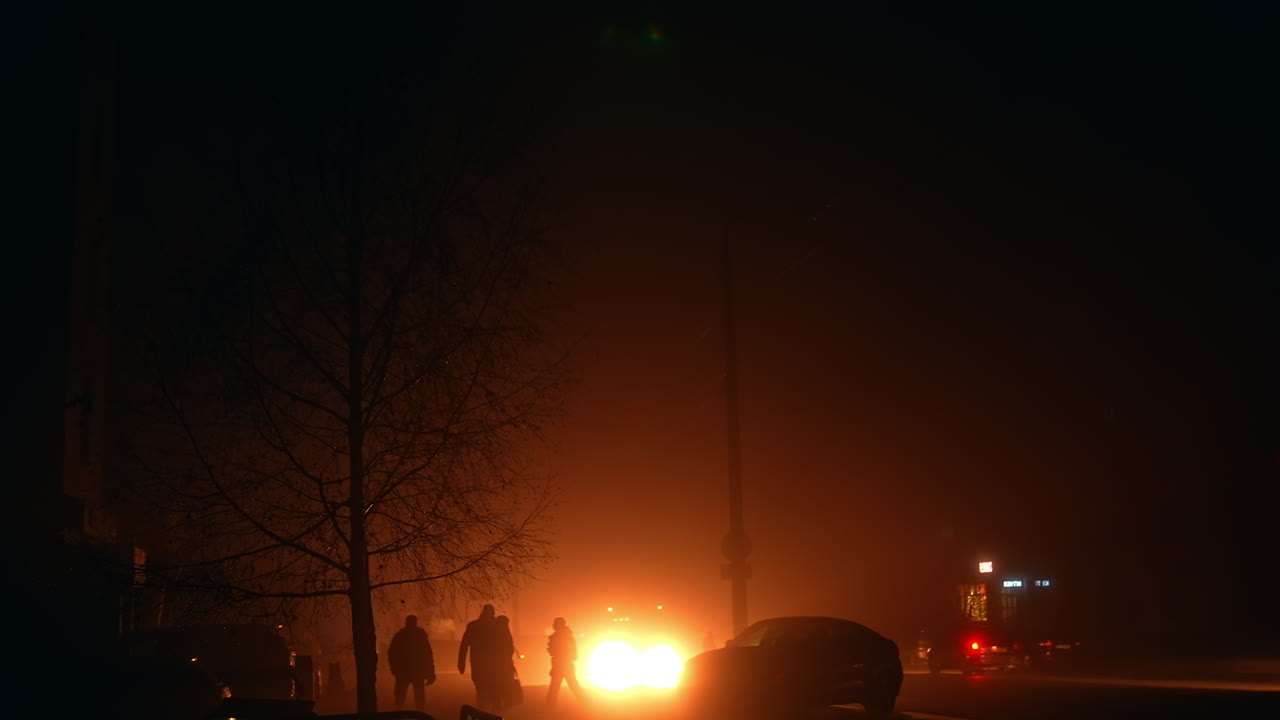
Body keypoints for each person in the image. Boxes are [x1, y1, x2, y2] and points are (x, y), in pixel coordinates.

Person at [458, 604, 507, 712]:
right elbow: (505, 645)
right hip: (495, 665)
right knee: (495, 689)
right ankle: (496, 711)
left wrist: (461, 663)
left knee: (481, 689)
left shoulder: (474, 626)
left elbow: (464, 645)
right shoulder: (498, 626)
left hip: (478, 663)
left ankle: (483, 711)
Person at [388, 615, 436, 712]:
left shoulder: (401, 634)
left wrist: (394, 669)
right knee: (419, 698)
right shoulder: (420, 634)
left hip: (403, 671)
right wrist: (431, 672)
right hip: (417, 671)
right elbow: (427, 654)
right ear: (416, 622)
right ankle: (419, 715)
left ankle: (397, 715)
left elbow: (392, 653)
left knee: (400, 697)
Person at [545, 616, 585, 708]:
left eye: (555, 624)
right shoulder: (568, 635)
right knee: (573, 684)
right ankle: (584, 702)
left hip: (560, 663)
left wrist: (551, 650)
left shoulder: (557, 637)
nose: (553, 626)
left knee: (555, 686)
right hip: (567, 663)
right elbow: (573, 651)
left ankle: (549, 705)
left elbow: (555, 650)